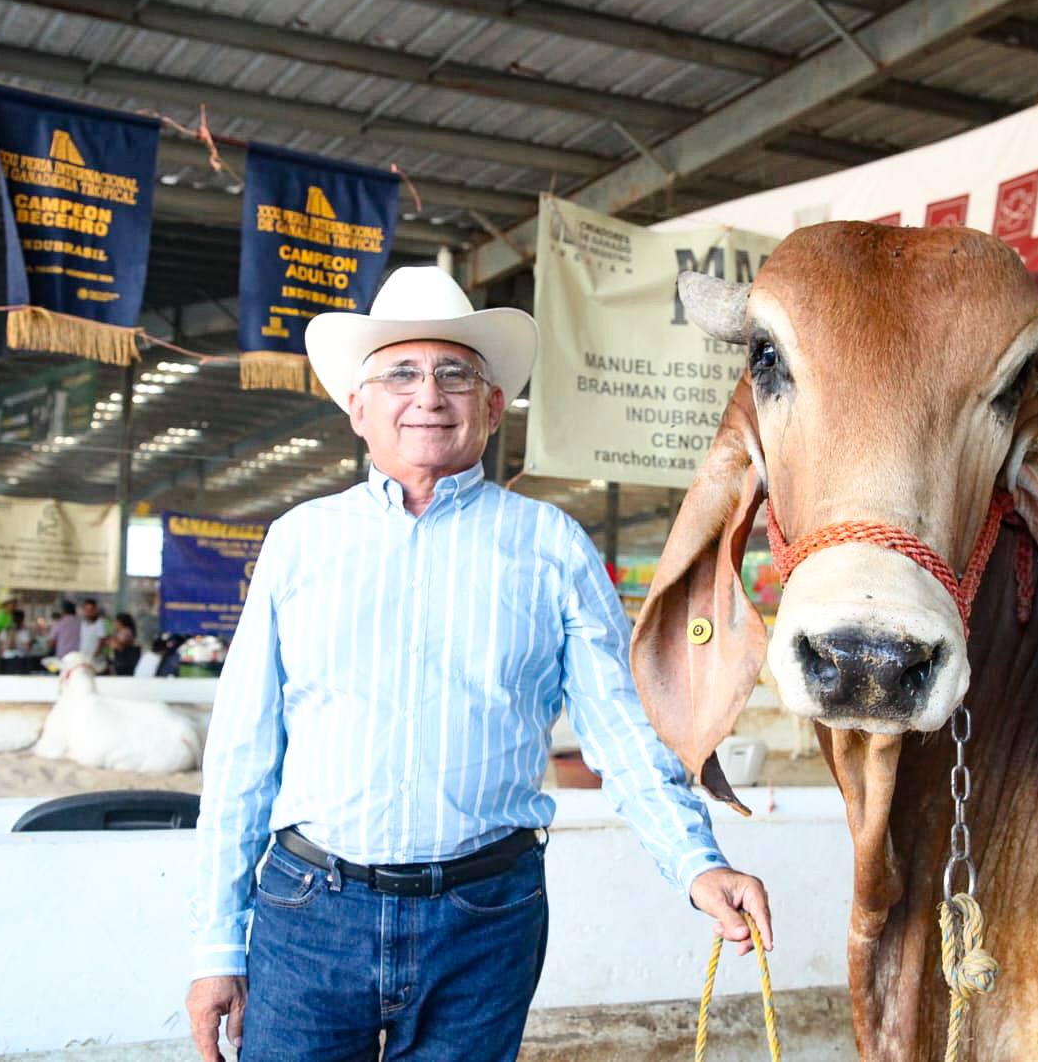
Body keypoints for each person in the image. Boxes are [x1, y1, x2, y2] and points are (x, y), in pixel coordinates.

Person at [187, 266, 774, 1062]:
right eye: (400, 374)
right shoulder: (300, 542)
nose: (428, 396)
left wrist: (697, 863)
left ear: (493, 408)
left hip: (485, 919)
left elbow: (622, 730)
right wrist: (217, 945)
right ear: (358, 409)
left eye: (454, 375)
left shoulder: (550, 545)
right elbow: (242, 755)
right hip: (311, 913)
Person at [108, 612, 140, 676]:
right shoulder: (120, 632)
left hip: (124, 661)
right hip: (120, 661)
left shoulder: (125, 631)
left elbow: (121, 646)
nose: (115, 623)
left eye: (116, 621)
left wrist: (113, 639)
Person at [78, 598, 108, 664]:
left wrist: (94, 656)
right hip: (83, 658)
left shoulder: (100, 623)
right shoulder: (83, 623)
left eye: (91, 610)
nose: (89, 612)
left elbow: (102, 641)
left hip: (95, 660)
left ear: (95, 610)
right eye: (86, 609)